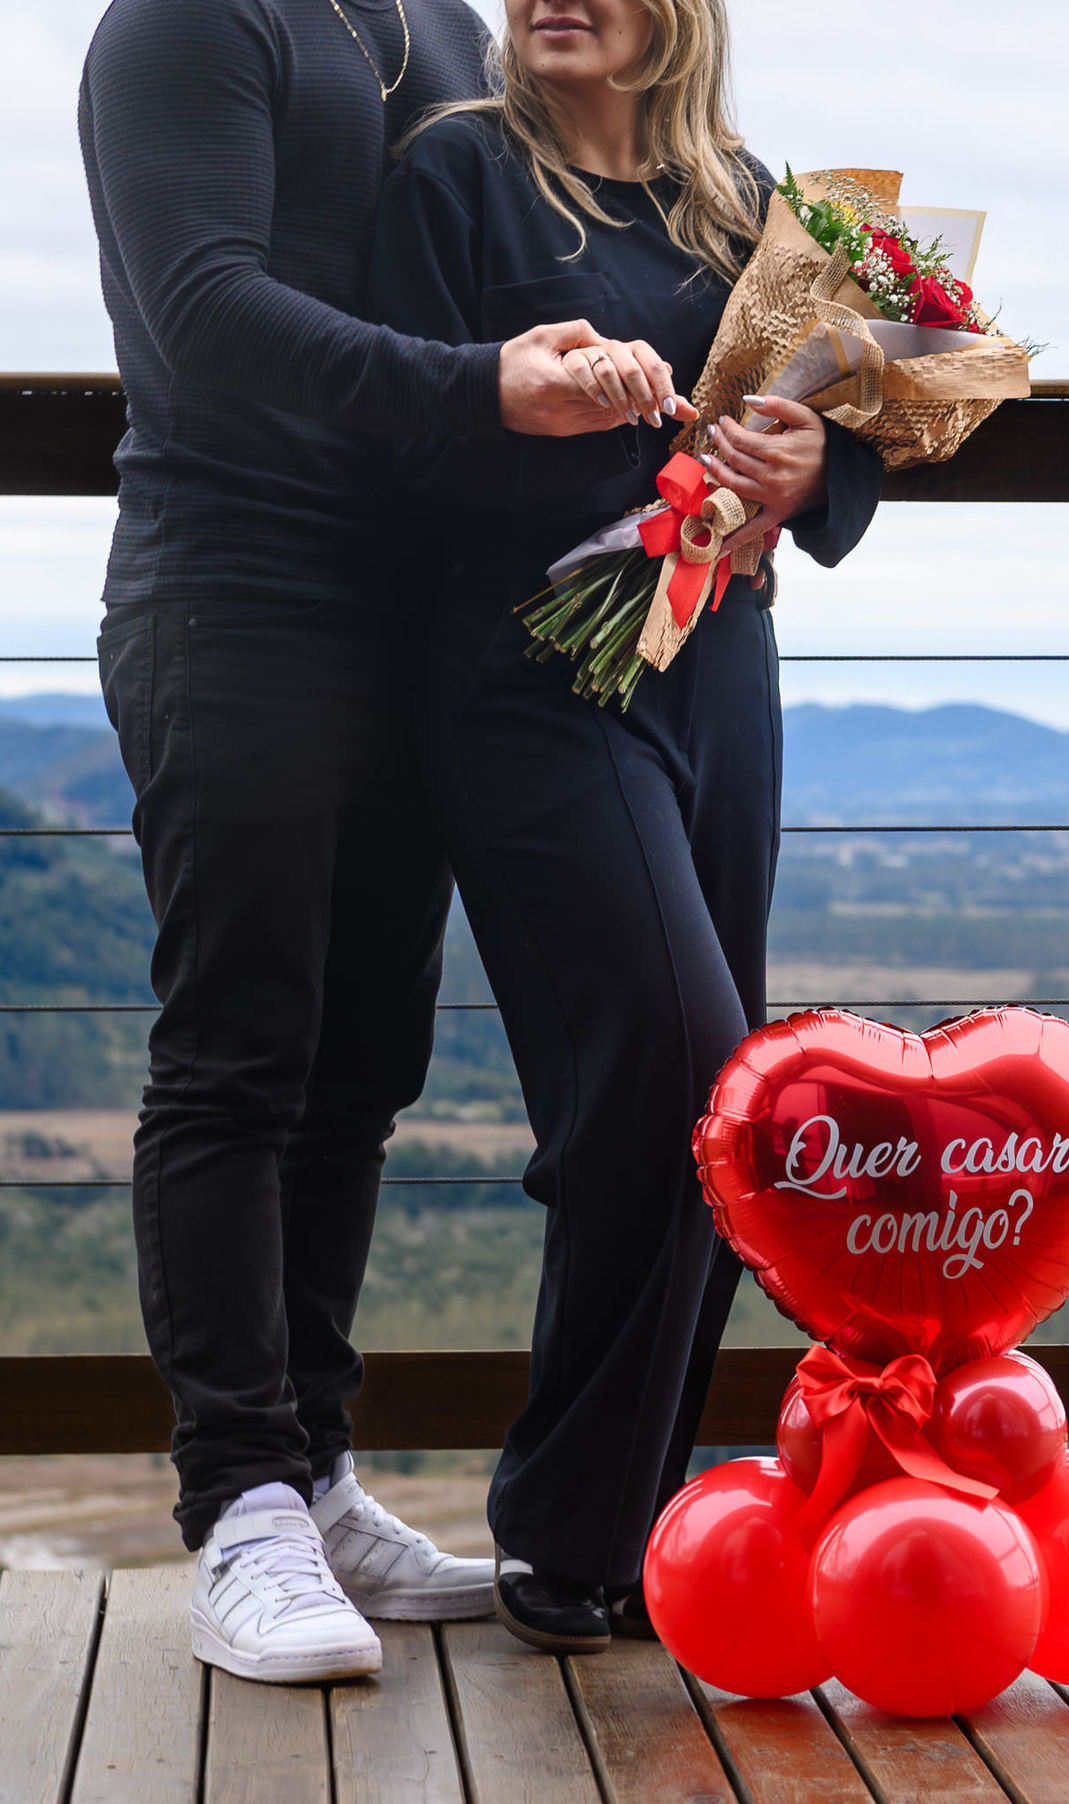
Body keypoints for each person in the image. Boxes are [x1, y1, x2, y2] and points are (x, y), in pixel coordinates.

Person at [77, 0, 694, 1687]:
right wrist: (482, 386)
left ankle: (322, 1472)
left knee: (361, 1067)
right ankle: (240, 1505)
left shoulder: (439, 23)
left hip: (414, 605)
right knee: (239, 1054)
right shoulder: (185, 25)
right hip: (233, 585)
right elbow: (205, 312)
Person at [369, 0, 883, 1653]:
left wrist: (807, 468)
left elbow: (855, 452)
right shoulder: (453, 179)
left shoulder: (760, 202)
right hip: (532, 684)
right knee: (669, 1063)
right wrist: (567, 416)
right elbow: (394, 442)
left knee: (714, 1113)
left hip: (721, 681)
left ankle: (644, 1519)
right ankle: (570, 1530)